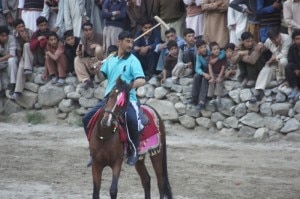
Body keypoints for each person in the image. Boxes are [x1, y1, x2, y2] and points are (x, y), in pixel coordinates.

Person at [82, 31, 146, 166]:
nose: (130, 45)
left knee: (132, 120)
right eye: (127, 41)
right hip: (109, 98)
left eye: (132, 42)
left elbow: (141, 80)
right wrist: (97, 70)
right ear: (119, 42)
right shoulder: (111, 59)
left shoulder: (133, 61)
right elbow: (100, 77)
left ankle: (134, 151)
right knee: (86, 118)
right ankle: (93, 151)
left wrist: (127, 87)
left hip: (127, 99)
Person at [74, 21, 104, 89]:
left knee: (98, 49)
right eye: (86, 30)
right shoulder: (83, 39)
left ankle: (101, 73)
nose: (88, 32)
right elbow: (79, 52)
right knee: (77, 59)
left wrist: (98, 45)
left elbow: (107, 50)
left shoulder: (100, 36)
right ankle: (86, 80)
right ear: (83, 31)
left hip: (100, 61)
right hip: (90, 61)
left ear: (92, 29)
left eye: (90, 29)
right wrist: (79, 53)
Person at [10, 19, 34, 100]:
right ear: (15, 28)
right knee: (21, 67)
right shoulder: (14, 34)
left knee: (27, 45)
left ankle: (27, 68)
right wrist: (21, 60)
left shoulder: (30, 32)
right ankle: (17, 92)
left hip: (32, 55)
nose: (21, 28)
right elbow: (18, 50)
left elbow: (34, 47)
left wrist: (26, 39)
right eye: (19, 27)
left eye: (22, 26)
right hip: (23, 58)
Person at [0, 25, 17, 95]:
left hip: (10, 60)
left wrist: (0, 59)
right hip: (2, 62)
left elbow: (12, 54)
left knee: (11, 60)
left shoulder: (11, 38)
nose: (5, 37)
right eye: (2, 36)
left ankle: (13, 83)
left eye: (6, 35)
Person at [284, 29, 300, 101]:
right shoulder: (292, 48)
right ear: (294, 40)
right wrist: (296, 69)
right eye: (297, 39)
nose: (299, 41)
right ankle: (295, 88)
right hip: (297, 68)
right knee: (288, 66)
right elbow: (290, 60)